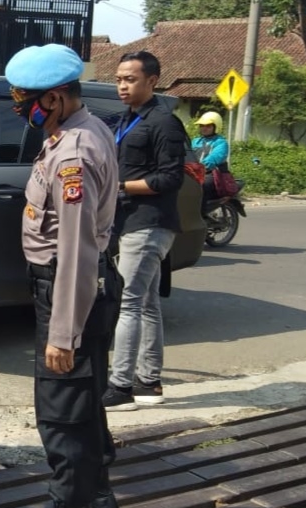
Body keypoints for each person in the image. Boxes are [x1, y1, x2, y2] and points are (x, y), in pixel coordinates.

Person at [1, 44, 125, 508]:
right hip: (74, 286)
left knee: (64, 409)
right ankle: (98, 500)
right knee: (87, 401)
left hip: (68, 288)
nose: (18, 109)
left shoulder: (73, 153)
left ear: (53, 98)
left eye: (22, 100)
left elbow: (76, 250)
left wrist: (63, 333)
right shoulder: (78, 131)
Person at [103, 51, 187, 412]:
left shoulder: (164, 123)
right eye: (119, 79)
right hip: (128, 221)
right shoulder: (122, 120)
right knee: (148, 304)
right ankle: (149, 383)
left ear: (152, 81)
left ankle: (120, 386)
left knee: (129, 302)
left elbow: (171, 177)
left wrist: (120, 186)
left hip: (149, 222)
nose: (123, 85)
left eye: (130, 79)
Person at [192, 111, 229, 201]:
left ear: (216, 127)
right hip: (194, 172)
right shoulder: (196, 141)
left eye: (208, 126)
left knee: (201, 186)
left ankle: (200, 212)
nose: (204, 128)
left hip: (212, 174)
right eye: (202, 126)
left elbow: (212, 160)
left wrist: (198, 168)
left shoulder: (220, 142)